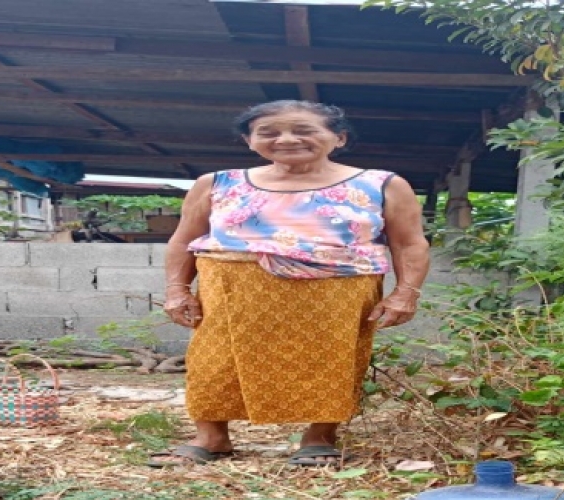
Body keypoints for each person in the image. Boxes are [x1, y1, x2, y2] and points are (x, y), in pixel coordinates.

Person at [150, 100, 430, 468]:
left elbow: (409, 243)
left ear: (339, 138)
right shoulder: (216, 183)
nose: (285, 139)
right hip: (231, 290)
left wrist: (405, 293)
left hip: (338, 293)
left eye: (303, 130)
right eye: (268, 132)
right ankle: (211, 437)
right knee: (215, 360)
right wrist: (177, 289)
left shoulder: (382, 184)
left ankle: (320, 438)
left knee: (332, 360)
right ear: (249, 141)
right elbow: (183, 239)